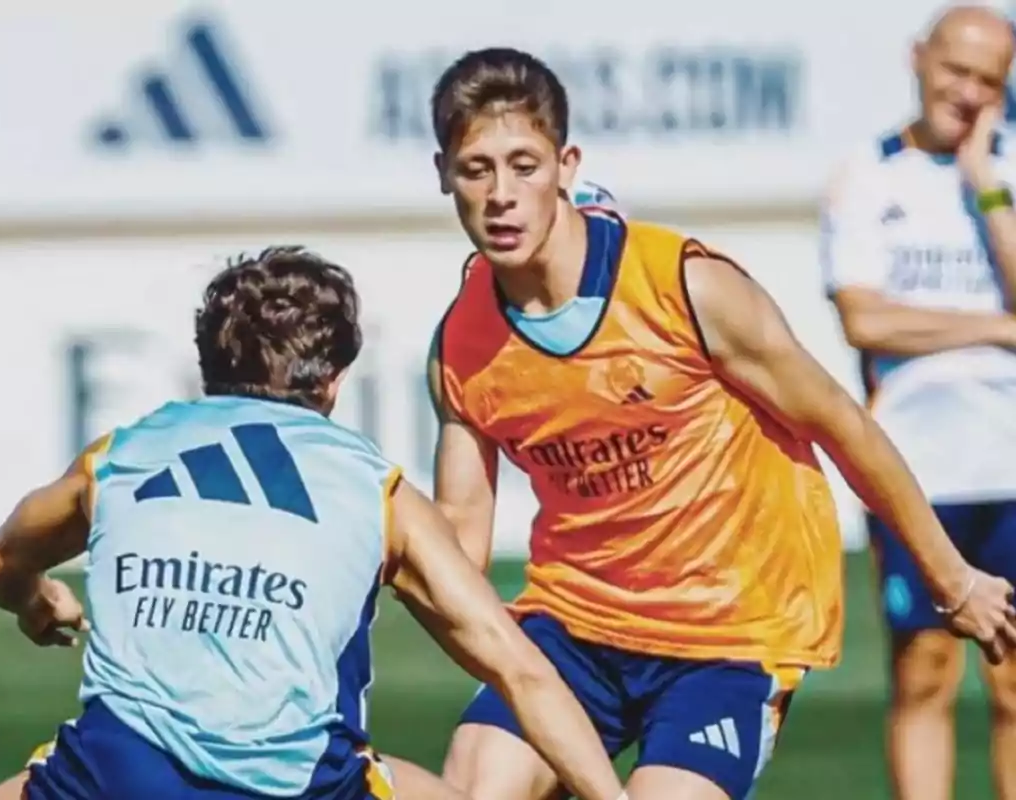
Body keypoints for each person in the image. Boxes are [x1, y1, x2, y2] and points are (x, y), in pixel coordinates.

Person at [425, 46, 1016, 800]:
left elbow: (843, 424)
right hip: (573, 624)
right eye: (477, 169)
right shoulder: (462, 343)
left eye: (524, 164)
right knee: (475, 785)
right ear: (444, 174)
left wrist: (952, 578)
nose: (501, 194)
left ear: (567, 165)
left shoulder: (683, 285)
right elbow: (459, 532)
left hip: (729, 633)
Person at [0, 247, 628, 800]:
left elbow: (0, 561)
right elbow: (521, 671)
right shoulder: (377, 493)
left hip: (116, 780)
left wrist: (37, 602)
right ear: (336, 380)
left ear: (206, 365)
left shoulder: (120, 457)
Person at [822, 6, 1016, 799]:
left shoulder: (1003, 174)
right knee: (925, 670)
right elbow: (864, 316)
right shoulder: (866, 179)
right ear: (918, 59)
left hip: (1009, 463)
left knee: (1011, 681)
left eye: (988, 80)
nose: (967, 92)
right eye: (955, 70)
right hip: (912, 466)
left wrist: (986, 189)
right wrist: (1000, 328)